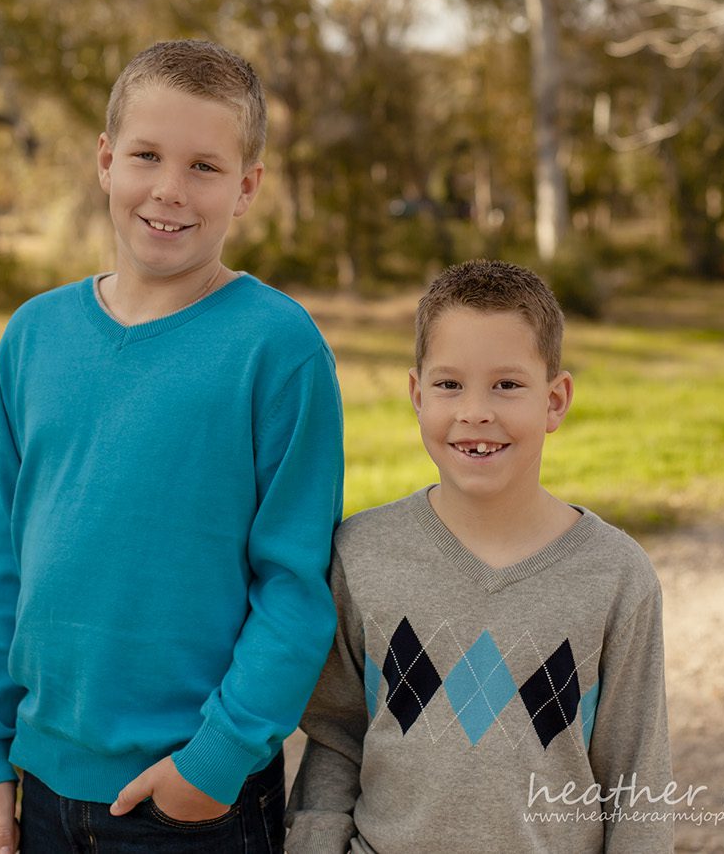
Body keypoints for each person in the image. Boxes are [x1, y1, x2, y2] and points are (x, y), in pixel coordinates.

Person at [0, 39, 344, 854]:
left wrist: (215, 762)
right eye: (146, 156)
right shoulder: (35, 335)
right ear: (105, 161)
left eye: (205, 166)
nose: (169, 189)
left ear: (247, 187)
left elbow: (295, 588)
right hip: (44, 788)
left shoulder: (278, 347)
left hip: (197, 796)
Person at [286, 260, 672, 853]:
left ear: (556, 399)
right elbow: (336, 737)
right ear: (417, 394)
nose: (475, 411)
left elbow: (636, 782)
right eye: (449, 385)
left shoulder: (615, 576)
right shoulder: (362, 556)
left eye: (507, 385)